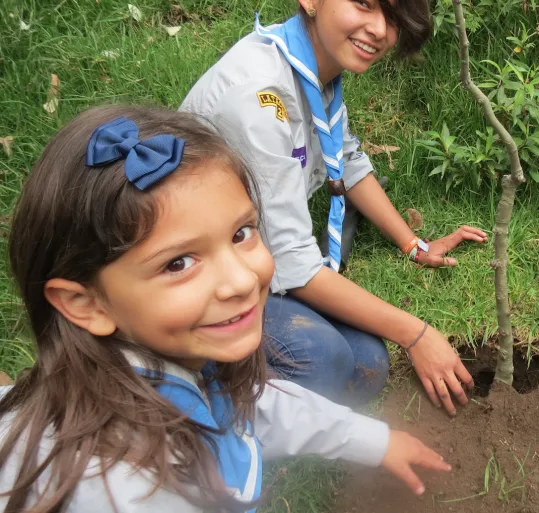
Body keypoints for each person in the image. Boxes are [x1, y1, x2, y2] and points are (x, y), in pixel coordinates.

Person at [0, 105, 450, 511]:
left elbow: (252, 406)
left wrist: (372, 440)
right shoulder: (129, 489)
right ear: (86, 303)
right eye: (178, 263)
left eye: (242, 233)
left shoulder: (171, 363)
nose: (241, 280)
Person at [181, 0, 487, 414]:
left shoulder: (316, 71)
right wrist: (418, 332)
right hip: (198, 266)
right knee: (321, 362)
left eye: (391, 17)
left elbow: (345, 159)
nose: (380, 31)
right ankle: (185, 397)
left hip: (252, 247)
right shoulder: (260, 98)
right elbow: (294, 265)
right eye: (363, 4)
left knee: (367, 363)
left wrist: (415, 245)